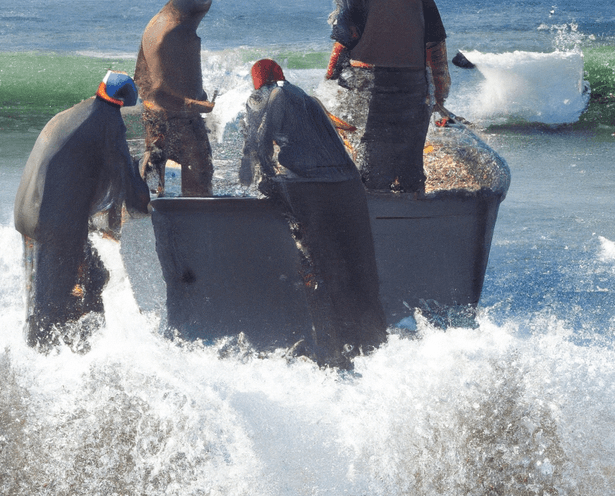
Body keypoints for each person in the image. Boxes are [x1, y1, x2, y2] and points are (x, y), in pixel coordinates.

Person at [240, 59, 387, 367]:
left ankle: (329, 351)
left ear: (258, 84)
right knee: (359, 265)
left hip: (312, 185)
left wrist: (262, 179)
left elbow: (258, 146)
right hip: (348, 183)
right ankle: (373, 346)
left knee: (319, 264)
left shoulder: (266, 97)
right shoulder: (308, 99)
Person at [14, 71, 151, 352]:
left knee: (88, 277)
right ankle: (53, 357)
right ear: (126, 101)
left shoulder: (72, 113)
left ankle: (50, 349)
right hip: (57, 225)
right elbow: (133, 195)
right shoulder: (109, 123)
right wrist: (145, 170)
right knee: (54, 304)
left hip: (28, 213)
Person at [324, 0, 451, 192]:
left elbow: (345, 37)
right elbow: (435, 46)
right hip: (414, 83)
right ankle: (413, 208)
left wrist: (329, 77)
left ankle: (376, 209)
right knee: (410, 161)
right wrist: (440, 93)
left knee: (370, 160)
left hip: (369, 82)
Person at [134, 0, 215, 196]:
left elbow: (141, 80)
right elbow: (158, 94)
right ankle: (197, 217)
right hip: (178, 120)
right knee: (200, 178)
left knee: (154, 180)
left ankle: (149, 213)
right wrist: (197, 105)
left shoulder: (156, 24)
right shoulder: (174, 33)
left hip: (156, 119)